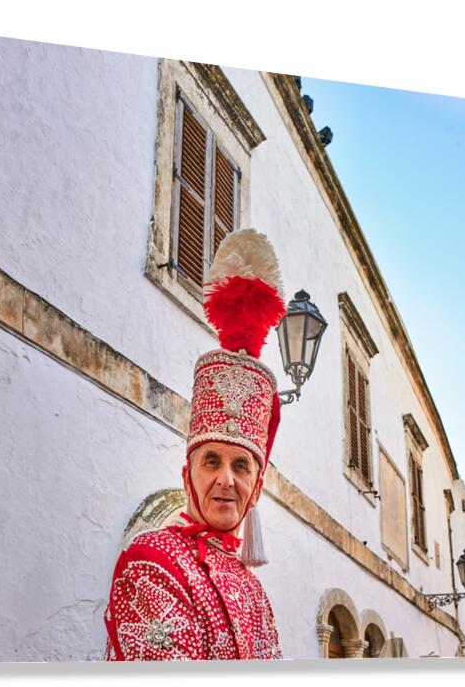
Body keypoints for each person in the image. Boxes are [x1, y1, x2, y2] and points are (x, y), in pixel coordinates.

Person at [104, 229, 286, 660]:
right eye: (212, 461)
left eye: (242, 466)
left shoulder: (255, 592)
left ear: (256, 488)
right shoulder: (152, 560)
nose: (226, 478)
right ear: (188, 475)